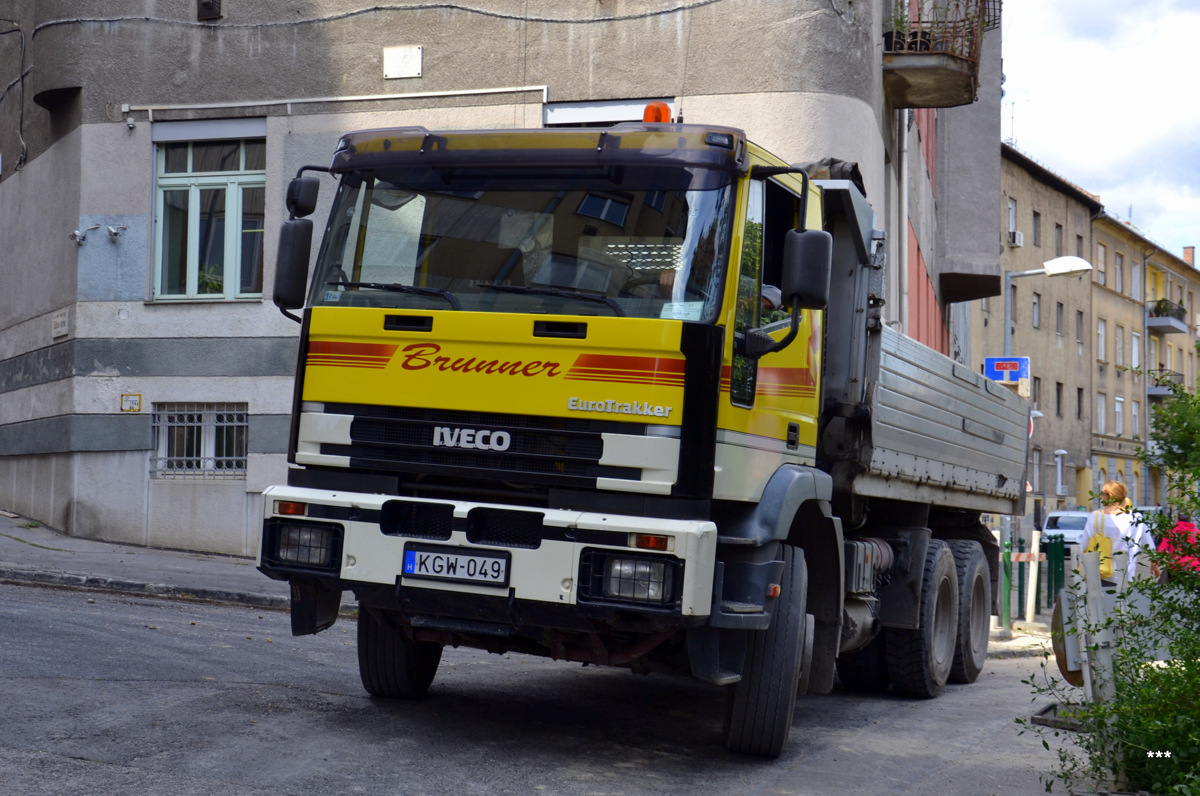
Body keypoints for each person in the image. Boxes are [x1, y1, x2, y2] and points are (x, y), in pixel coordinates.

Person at [1080, 481, 1132, 588]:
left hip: (1101, 572)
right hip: (1126, 573)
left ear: (1111, 496)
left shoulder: (1096, 517)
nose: (1101, 496)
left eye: (1103, 493)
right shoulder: (1133, 518)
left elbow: (1083, 545)